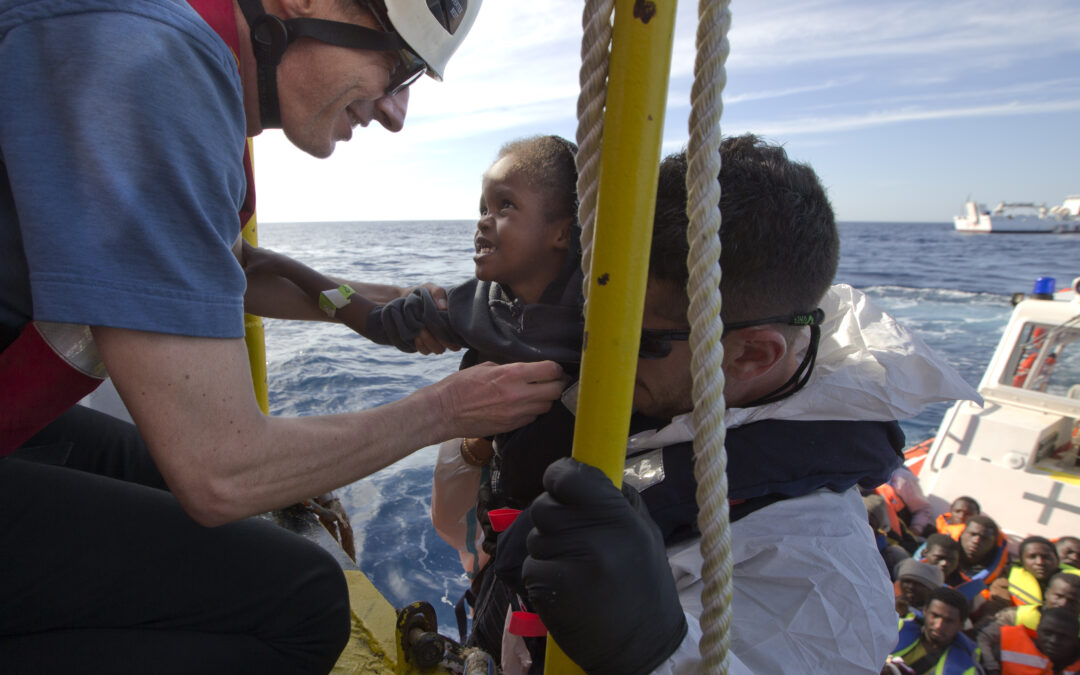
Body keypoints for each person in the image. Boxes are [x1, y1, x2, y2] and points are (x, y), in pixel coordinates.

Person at [0, 0, 569, 671]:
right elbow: (219, 470)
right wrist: (445, 409)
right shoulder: (154, 65)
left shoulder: (171, 56)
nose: (395, 112)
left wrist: (367, 303)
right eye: (399, 66)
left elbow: (230, 264)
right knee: (306, 602)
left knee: (163, 480)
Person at [439, 135, 980, 674]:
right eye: (590, 321)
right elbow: (462, 525)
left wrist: (652, 650)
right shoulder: (657, 397)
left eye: (638, 341)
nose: (599, 359)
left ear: (753, 354)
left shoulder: (821, 572)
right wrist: (472, 444)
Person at [977, 572, 1080, 672]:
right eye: (1059, 596)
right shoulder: (1014, 616)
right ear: (1047, 593)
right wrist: (991, 668)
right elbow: (982, 637)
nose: (1063, 603)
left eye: (1073, 601)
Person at [885, 587, 980, 675]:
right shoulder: (897, 628)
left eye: (948, 621)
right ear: (925, 611)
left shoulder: (966, 670)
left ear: (961, 625)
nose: (939, 626)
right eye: (935, 616)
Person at [983, 607, 1080, 675]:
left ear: (1075, 640)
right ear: (1037, 629)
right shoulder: (1007, 647)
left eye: (1063, 637)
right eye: (1047, 633)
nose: (1053, 641)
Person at [955, 514, 1010, 603]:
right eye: (973, 534)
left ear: (993, 545)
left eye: (984, 538)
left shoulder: (1001, 579)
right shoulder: (937, 554)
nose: (976, 541)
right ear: (962, 534)